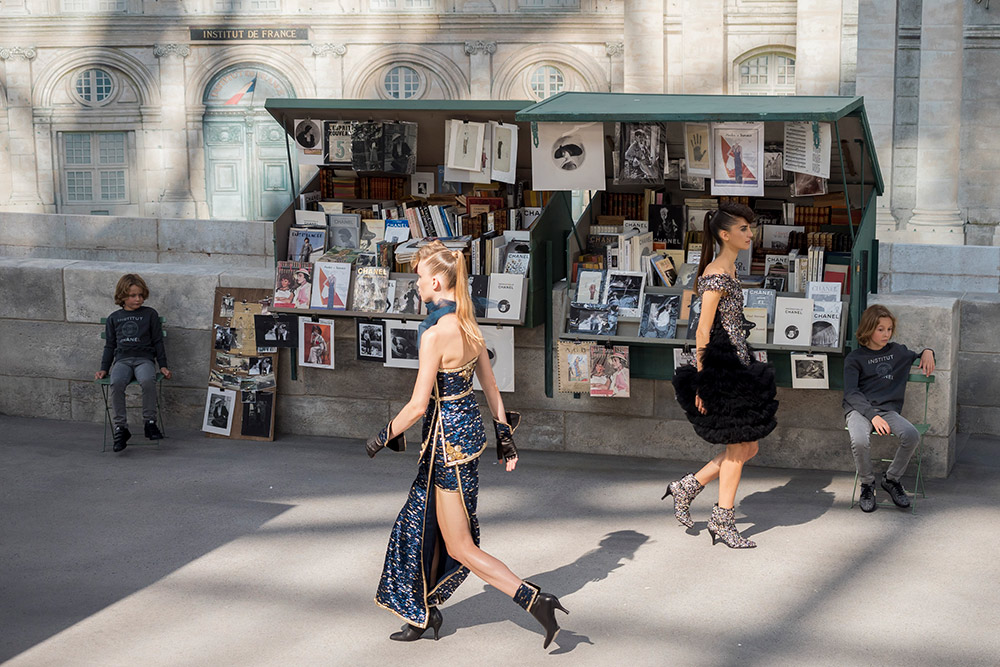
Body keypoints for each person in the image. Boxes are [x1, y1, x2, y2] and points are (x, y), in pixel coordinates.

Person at [367, 240, 568, 648]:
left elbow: (418, 405)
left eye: (420, 277)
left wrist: (381, 436)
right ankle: (423, 613)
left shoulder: (436, 335)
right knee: (419, 525)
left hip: (446, 447)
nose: (417, 283)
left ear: (437, 281)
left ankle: (534, 600)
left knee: (459, 546)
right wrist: (505, 437)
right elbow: (492, 388)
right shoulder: (470, 324)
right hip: (464, 440)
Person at [667, 204, 778, 548]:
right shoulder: (716, 274)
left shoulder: (728, 269)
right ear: (724, 235)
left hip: (738, 364)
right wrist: (704, 381)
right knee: (737, 447)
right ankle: (723, 519)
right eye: (744, 229)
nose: (750, 234)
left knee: (750, 446)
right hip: (722, 369)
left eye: (750, 227)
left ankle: (686, 487)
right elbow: (702, 331)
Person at [843, 305, 935, 512]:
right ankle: (867, 484)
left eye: (889, 329)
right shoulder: (855, 358)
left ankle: (891, 480)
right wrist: (872, 416)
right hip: (859, 409)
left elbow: (918, 354)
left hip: (887, 410)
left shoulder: (897, 352)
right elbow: (851, 393)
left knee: (911, 435)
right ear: (868, 329)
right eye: (880, 329)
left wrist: (928, 352)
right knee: (859, 439)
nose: (886, 334)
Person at [94, 274, 172, 452]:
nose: (138, 299)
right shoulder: (114, 318)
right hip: (122, 361)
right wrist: (103, 369)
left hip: (144, 359)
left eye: (141, 295)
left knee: (147, 380)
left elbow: (158, 341)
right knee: (117, 382)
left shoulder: (150, 314)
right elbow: (110, 346)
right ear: (122, 296)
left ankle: (150, 422)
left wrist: (163, 365)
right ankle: (121, 428)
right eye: (132, 295)